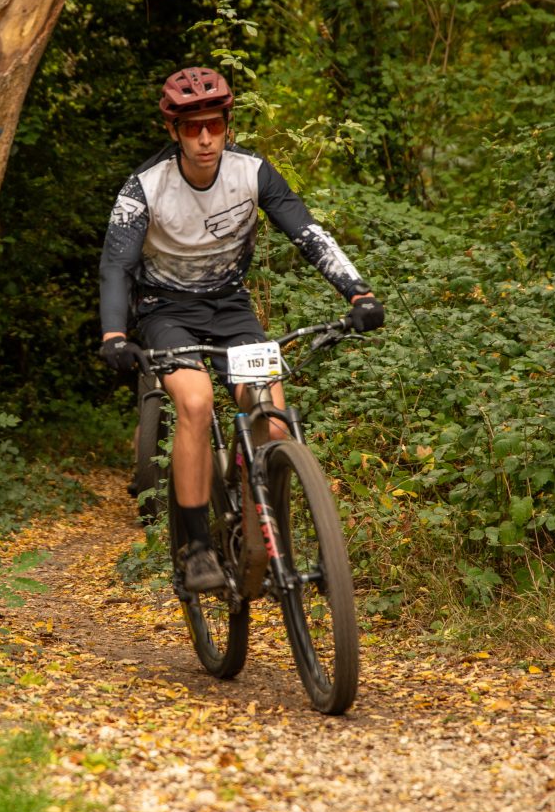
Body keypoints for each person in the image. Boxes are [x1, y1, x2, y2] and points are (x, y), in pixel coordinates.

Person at [99, 66, 384, 593]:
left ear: (228, 124)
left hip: (231, 308)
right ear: (173, 131)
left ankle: (261, 532)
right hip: (165, 312)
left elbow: (308, 232)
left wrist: (357, 292)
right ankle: (196, 548)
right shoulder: (144, 188)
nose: (205, 138)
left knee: (272, 421)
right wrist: (114, 334)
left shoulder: (251, 172)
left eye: (214, 125)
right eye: (192, 128)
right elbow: (116, 266)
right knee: (195, 402)